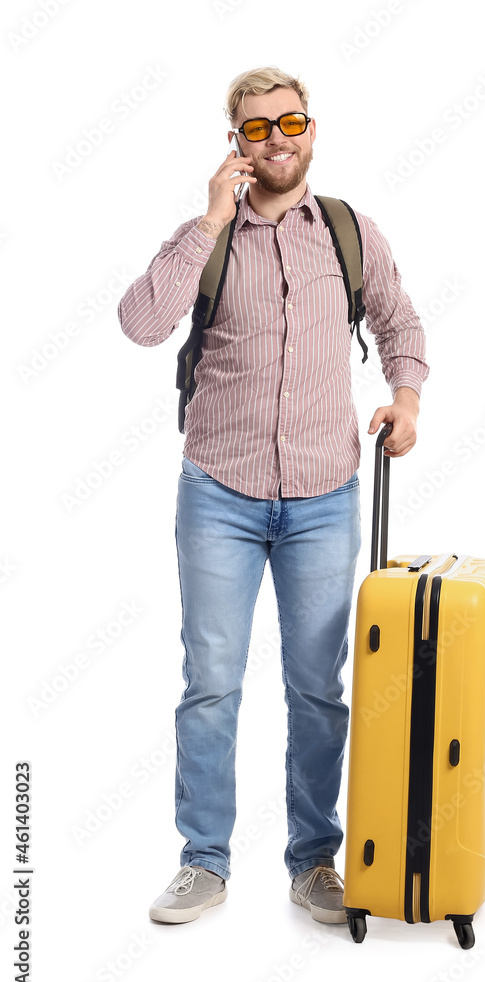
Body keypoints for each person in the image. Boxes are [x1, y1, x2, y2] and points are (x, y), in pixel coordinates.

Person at [117, 65, 429, 926]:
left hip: (325, 494)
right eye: (256, 128)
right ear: (236, 143)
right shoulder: (205, 235)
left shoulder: (348, 231)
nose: (276, 139)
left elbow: (399, 322)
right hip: (219, 488)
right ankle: (203, 861)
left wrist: (404, 399)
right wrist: (210, 217)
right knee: (211, 681)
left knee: (318, 687)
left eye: (288, 122)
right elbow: (141, 324)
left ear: (311, 129)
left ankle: (312, 861)